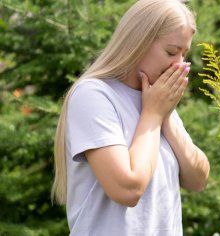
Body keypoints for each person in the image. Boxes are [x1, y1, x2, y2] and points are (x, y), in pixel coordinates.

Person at [51, 0, 210, 235]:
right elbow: (127, 189)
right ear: (138, 41)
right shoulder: (94, 95)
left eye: (184, 54)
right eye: (171, 52)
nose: (179, 64)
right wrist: (153, 114)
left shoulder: (155, 99)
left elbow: (198, 180)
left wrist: (164, 117)